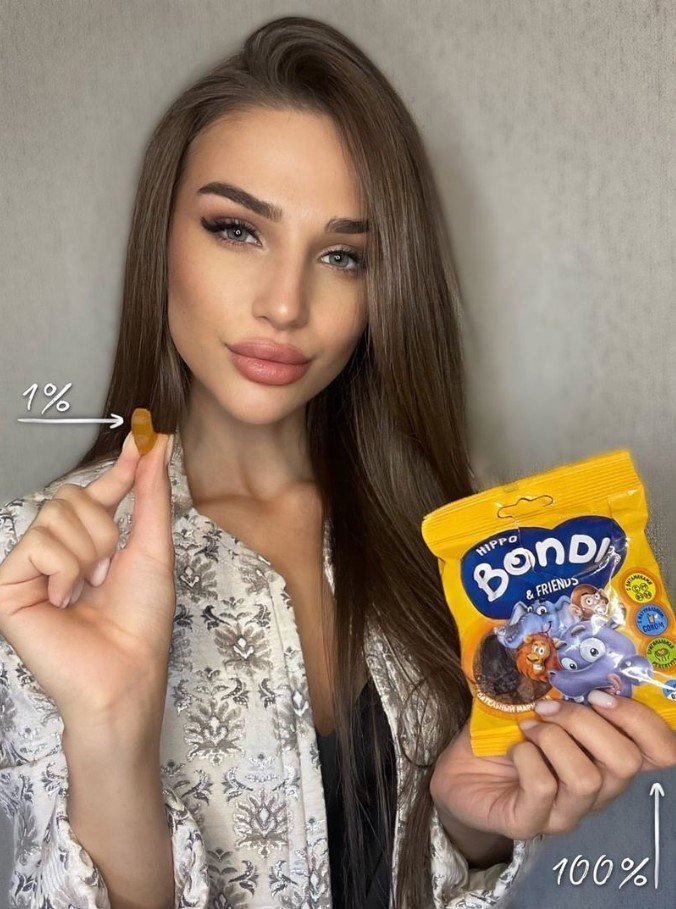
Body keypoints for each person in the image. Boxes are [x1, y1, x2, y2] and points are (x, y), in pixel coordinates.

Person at [1, 14, 674, 909]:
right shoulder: (38, 566)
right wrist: (112, 729)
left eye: (343, 254)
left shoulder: (452, 525)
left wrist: (468, 821)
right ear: (160, 238)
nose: (285, 304)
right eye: (237, 230)